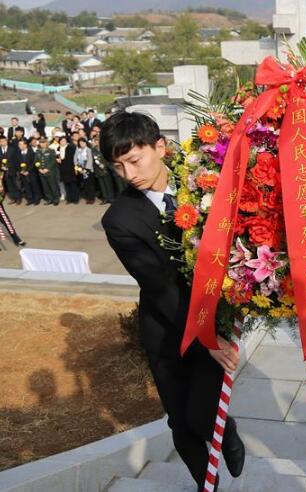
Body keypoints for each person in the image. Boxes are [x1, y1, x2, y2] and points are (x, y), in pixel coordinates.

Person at [99, 112, 245, 492]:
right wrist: (208, 338)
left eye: (135, 160)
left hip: (214, 314)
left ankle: (223, 425)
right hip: (168, 327)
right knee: (180, 423)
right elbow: (160, 285)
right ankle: (207, 486)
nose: (129, 174)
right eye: (118, 166)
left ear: (160, 147)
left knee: (201, 415)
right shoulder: (120, 219)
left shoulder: (202, 182)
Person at [17, 138, 41, 206]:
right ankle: (30, 199)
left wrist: (28, 171)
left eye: (21, 144)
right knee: (27, 187)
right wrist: (21, 170)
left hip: (31, 172)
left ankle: (37, 199)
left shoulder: (31, 152)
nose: (19, 146)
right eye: (19, 144)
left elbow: (33, 163)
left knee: (34, 186)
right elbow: (17, 163)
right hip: (23, 173)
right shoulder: (18, 153)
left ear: (26, 145)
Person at [36, 137, 60, 205]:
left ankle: (56, 199)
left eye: (44, 142)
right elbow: (36, 161)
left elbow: (53, 161)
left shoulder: (51, 151)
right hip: (41, 172)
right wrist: (39, 168)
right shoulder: (38, 151)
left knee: (53, 186)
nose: (42, 144)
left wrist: (47, 168)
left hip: (50, 172)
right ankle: (49, 199)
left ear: (47, 143)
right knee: (45, 187)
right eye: (41, 143)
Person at [91, 136, 115, 204]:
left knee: (108, 184)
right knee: (102, 185)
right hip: (98, 170)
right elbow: (93, 159)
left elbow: (107, 158)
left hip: (105, 168)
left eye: (98, 141)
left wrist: (104, 165)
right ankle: (105, 198)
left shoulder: (103, 149)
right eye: (95, 141)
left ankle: (111, 198)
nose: (97, 142)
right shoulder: (93, 150)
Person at [57, 135, 80, 204]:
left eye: (64, 141)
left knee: (73, 184)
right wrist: (57, 160)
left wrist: (75, 167)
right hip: (63, 169)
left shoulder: (71, 147)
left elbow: (75, 158)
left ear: (66, 141)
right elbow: (57, 157)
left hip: (71, 168)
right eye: (61, 141)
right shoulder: (59, 148)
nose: (62, 142)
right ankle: (69, 199)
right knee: (66, 184)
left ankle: (76, 199)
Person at [0, 136, 21, 205]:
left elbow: (17, 160)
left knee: (16, 185)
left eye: (4, 141)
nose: (2, 142)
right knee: (9, 185)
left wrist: (13, 168)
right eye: (1, 141)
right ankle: (13, 198)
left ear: (6, 141)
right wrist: (2, 167)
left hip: (13, 170)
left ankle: (18, 198)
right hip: (4, 172)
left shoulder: (12, 149)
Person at [75, 137, 96, 204]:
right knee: (85, 185)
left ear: (85, 142)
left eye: (83, 142)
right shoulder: (78, 150)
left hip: (88, 169)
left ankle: (92, 198)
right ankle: (88, 198)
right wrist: (78, 168)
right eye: (80, 143)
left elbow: (90, 159)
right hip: (81, 169)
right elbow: (75, 159)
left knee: (90, 184)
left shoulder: (88, 150)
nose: (81, 144)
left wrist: (86, 169)